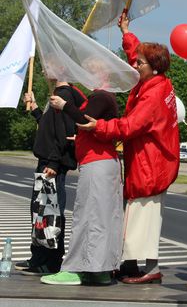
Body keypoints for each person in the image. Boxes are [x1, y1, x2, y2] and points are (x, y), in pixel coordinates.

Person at [77, 14, 180, 284]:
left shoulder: (153, 94)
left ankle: (150, 268)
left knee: (142, 218)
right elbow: (137, 51)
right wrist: (126, 32)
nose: (134, 64)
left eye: (140, 63)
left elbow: (129, 126)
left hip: (151, 164)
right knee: (137, 214)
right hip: (151, 160)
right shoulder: (155, 81)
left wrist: (97, 127)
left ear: (153, 68)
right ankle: (133, 264)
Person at [41, 58, 122, 286]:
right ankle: (99, 269)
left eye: (87, 72)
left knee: (88, 216)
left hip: (97, 163)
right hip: (101, 161)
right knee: (101, 216)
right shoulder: (104, 97)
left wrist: (64, 106)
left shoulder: (100, 96)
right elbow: (93, 126)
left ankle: (76, 268)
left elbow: (85, 119)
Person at [18, 81, 86, 276]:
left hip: (51, 164)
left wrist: (55, 163)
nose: (45, 72)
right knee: (41, 212)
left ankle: (51, 261)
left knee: (50, 214)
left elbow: (65, 134)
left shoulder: (64, 94)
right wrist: (36, 109)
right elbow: (50, 128)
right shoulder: (58, 93)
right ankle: (38, 257)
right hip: (48, 162)